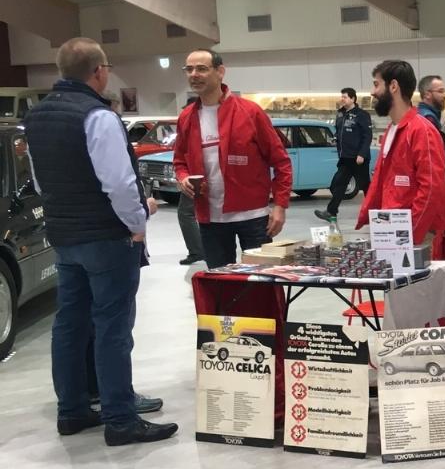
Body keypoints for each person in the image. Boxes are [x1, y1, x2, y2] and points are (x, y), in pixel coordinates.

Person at [23, 37, 178, 445]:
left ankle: (72, 410)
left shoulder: (36, 117)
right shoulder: (98, 116)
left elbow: (40, 182)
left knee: (70, 323)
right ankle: (121, 419)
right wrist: (138, 220)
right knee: (112, 327)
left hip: (64, 236)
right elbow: (119, 184)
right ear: (98, 71)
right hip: (107, 238)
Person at [172, 49, 293, 269]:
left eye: (201, 69)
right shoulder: (186, 117)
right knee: (220, 283)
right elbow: (179, 161)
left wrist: (280, 206)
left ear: (220, 72)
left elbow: (281, 162)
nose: (194, 74)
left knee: (262, 281)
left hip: (254, 217)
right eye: (189, 69)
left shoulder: (250, 112)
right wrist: (183, 178)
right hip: (211, 220)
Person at [356, 60, 445, 258]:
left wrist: (410, 234)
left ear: (393, 86)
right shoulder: (392, 130)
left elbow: (432, 189)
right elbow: (382, 183)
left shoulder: (422, 131)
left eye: (376, 84)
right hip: (392, 232)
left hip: (414, 236)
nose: (372, 92)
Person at [314, 87, 372, 222]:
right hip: (345, 157)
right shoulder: (340, 113)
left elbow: (367, 135)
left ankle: (375, 212)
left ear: (353, 99)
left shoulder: (362, 115)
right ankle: (331, 212)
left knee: (366, 186)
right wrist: (335, 137)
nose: (342, 99)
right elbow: (339, 130)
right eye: (342, 97)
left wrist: (362, 154)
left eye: (345, 97)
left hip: (358, 158)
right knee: (338, 184)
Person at [177, 95, 205, 265]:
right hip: (193, 177)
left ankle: (197, 250)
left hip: (195, 178)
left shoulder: (192, 123)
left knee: (186, 213)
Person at [416, 74, 445, 143]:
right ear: (427, 94)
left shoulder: (420, 114)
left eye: (444, 91)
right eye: (440, 91)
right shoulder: (428, 119)